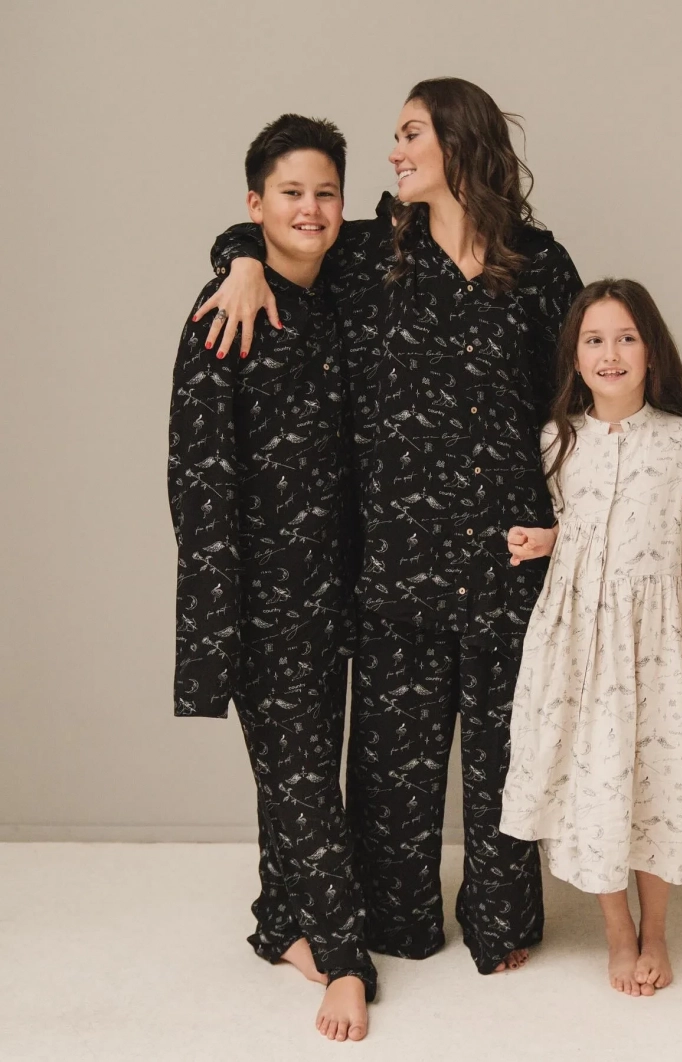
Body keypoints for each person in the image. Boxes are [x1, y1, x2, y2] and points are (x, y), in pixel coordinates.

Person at [197, 78, 682, 976]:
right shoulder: (368, 254)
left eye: (410, 134)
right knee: (391, 774)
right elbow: (285, 233)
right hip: (395, 560)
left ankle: (501, 923)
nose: (394, 151)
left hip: (514, 558)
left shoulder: (538, 263)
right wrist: (238, 259)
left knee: (505, 758)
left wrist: (675, 481)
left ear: (457, 141)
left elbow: (596, 385)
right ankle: (397, 922)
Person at [168, 113, 376, 1043]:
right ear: (257, 203)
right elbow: (198, 480)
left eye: (326, 192)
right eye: (291, 192)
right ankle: (343, 958)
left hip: (342, 588)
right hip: (262, 598)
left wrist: (244, 252)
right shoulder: (226, 313)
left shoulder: (339, 292)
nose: (312, 209)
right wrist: (218, 618)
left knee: (300, 766)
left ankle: (278, 923)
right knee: (302, 776)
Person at [501, 278, 682, 997]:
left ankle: (656, 929)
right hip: (577, 638)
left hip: (654, 640)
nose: (611, 353)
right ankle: (617, 932)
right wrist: (543, 540)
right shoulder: (556, 439)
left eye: (626, 338)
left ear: (651, 350)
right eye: (595, 340)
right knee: (596, 779)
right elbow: (575, 527)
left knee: (653, 777)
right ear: (575, 357)